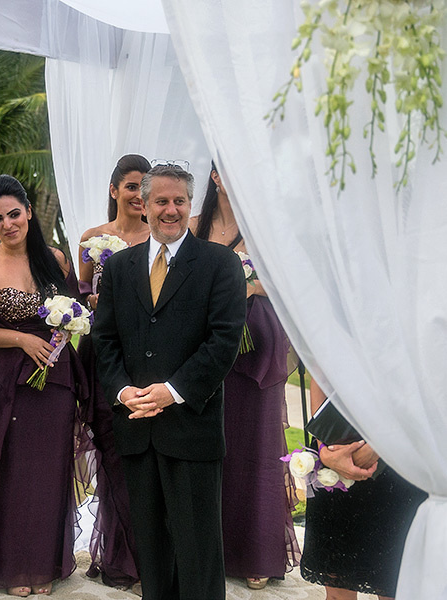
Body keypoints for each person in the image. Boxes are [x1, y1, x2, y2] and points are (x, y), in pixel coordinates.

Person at [92, 164, 245, 600]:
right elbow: (104, 341)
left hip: (191, 429)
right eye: (161, 201)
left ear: (190, 204)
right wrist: (123, 392)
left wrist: (172, 392)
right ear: (144, 205)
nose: (171, 209)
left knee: (198, 554)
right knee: (152, 555)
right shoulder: (119, 268)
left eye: (179, 201)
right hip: (137, 429)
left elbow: (223, 341)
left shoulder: (220, 264)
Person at [0, 174, 89, 597]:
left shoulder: (55, 259)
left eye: (14, 214)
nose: (7, 224)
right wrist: (22, 338)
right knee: (15, 472)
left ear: (28, 212)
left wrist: (62, 334)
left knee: (49, 471)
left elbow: (75, 312)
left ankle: (47, 564)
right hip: (9, 383)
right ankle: (12, 566)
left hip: (55, 380)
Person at [190, 164, 299, 589]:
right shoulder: (195, 226)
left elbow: (293, 283)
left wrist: (252, 286)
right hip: (205, 339)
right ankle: (210, 549)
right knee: (212, 443)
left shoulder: (266, 225)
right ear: (216, 176)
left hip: (256, 338)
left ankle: (258, 552)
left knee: (256, 443)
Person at [77, 154, 151, 589]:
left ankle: (148, 556)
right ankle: (117, 557)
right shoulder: (92, 238)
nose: (138, 195)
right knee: (110, 451)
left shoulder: (158, 238)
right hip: (102, 353)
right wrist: (92, 304)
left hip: (144, 356)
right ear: (114, 191)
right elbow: (83, 290)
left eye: (145, 186)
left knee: (141, 454)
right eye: (131, 186)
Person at [301, 380, 428, 600]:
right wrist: (324, 447)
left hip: (401, 457)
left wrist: (376, 446)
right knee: (336, 585)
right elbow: (318, 373)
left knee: (393, 584)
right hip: (337, 440)